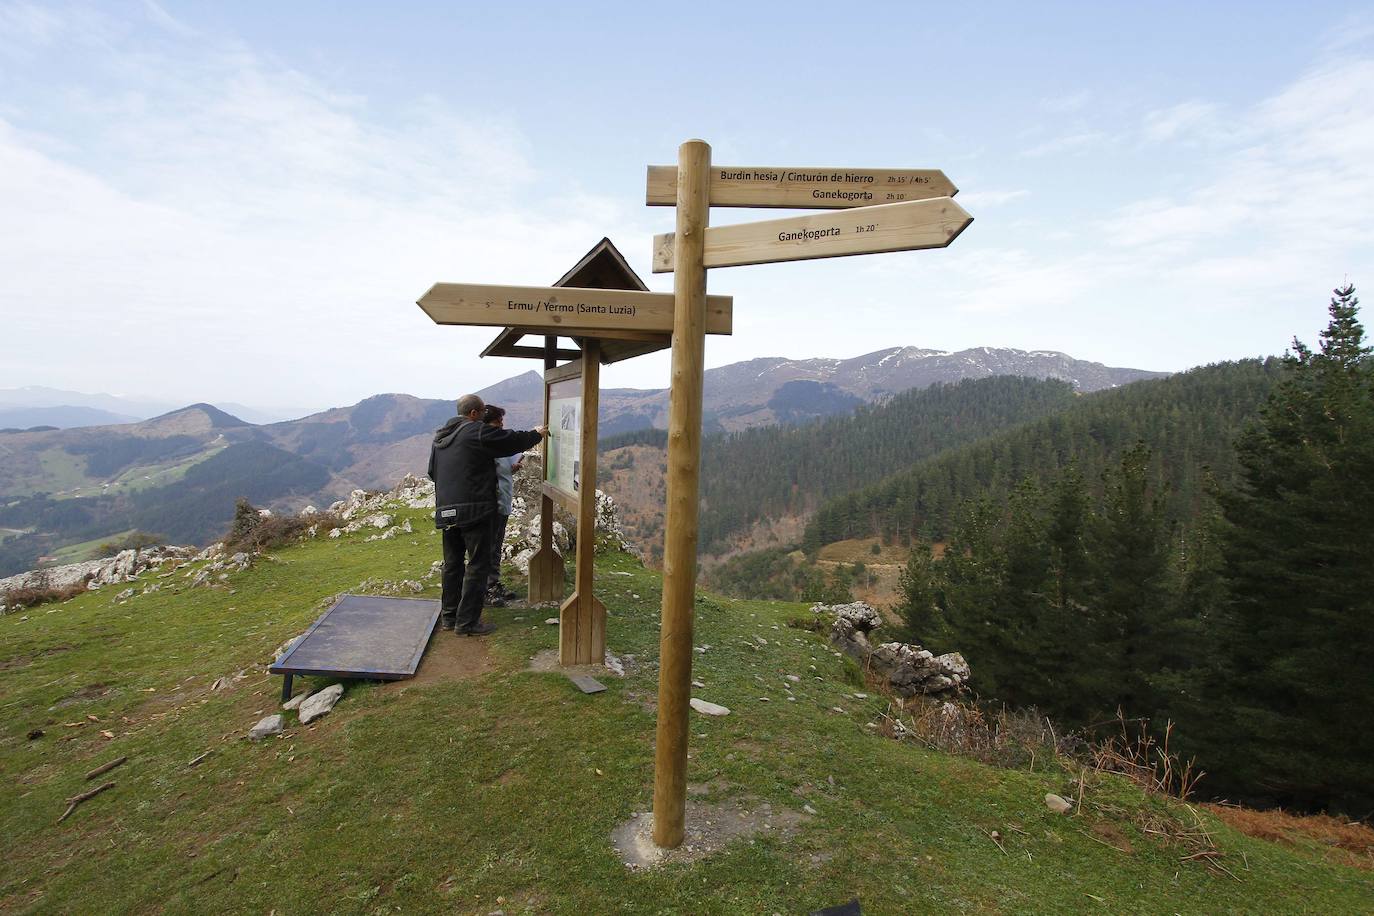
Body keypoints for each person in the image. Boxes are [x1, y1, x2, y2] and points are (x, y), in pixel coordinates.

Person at [427, 394, 545, 636]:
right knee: (478, 564)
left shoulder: (441, 437)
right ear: (473, 413)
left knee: (452, 564)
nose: (483, 416)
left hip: (446, 511)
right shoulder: (475, 431)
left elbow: (432, 472)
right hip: (474, 510)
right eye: (481, 412)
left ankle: (449, 617)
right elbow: (509, 441)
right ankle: (467, 623)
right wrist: (536, 434)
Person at [481, 404, 524, 605]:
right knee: (490, 547)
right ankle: (487, 589)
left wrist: (510, 468)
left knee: (496, 546)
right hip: (493, 504)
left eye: (501, 421)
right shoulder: (487, 444)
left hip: (502, 502)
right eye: (497, 421)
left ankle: (493, 583)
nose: (501, 425)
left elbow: (498, 470)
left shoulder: (496, 443)